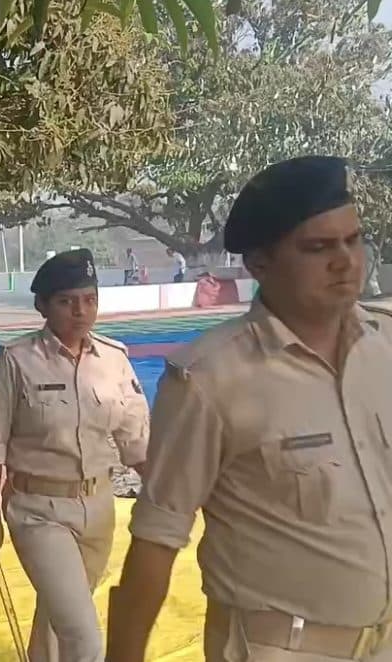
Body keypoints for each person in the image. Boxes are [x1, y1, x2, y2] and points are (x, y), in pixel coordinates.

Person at [107, 156, 392, 662]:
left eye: (353, 240)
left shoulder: (385, 345)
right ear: (260, 264)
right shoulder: (211, 378)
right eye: (319, 247)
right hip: (282, 648)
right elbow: (156, 539)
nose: (346, 261)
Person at [0, 248, 150, 662]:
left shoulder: (114, 359)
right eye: (66, 301)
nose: (80, 311)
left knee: (59, 619)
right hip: (38, 511)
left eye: (89, 299)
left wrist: (175, 494)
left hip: (99, 507)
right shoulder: (16, 361)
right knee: (83, 637)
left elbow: (136, 440)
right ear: (43, 305)